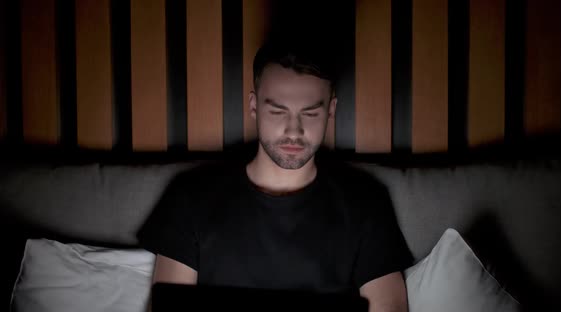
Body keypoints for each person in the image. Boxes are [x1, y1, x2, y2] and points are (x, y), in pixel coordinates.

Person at [137, 38, 413, 312]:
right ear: (254, 106)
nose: (294, 130)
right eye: (278, 111)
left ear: (331, 110)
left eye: (310, 113)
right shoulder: (190, 197)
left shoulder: (365, 203)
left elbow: (391, 307)